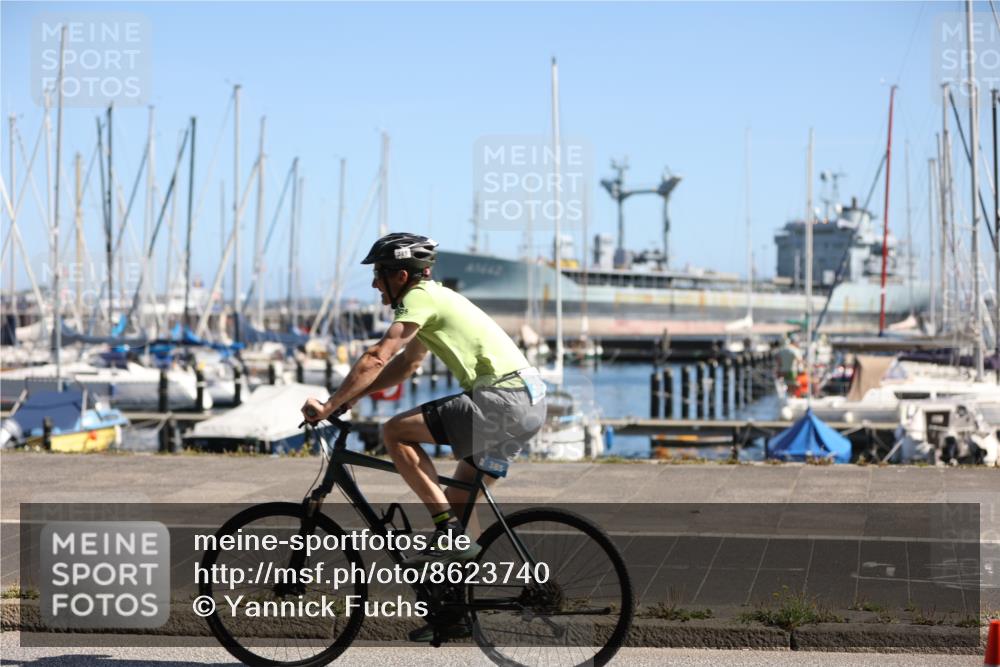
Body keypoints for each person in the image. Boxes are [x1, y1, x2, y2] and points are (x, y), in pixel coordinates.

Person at [301, 232, 547, 563]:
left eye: (378, 274)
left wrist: (329, 405)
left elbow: (378, 356)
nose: (375, 285)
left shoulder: (417, 298)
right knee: (459, 500)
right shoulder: (435, 298)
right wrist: (352, 397)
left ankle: (447, 530)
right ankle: (458, 601)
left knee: (395, 432)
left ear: (400, 276)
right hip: (530, 402)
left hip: (502, 398)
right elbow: (407, 364)